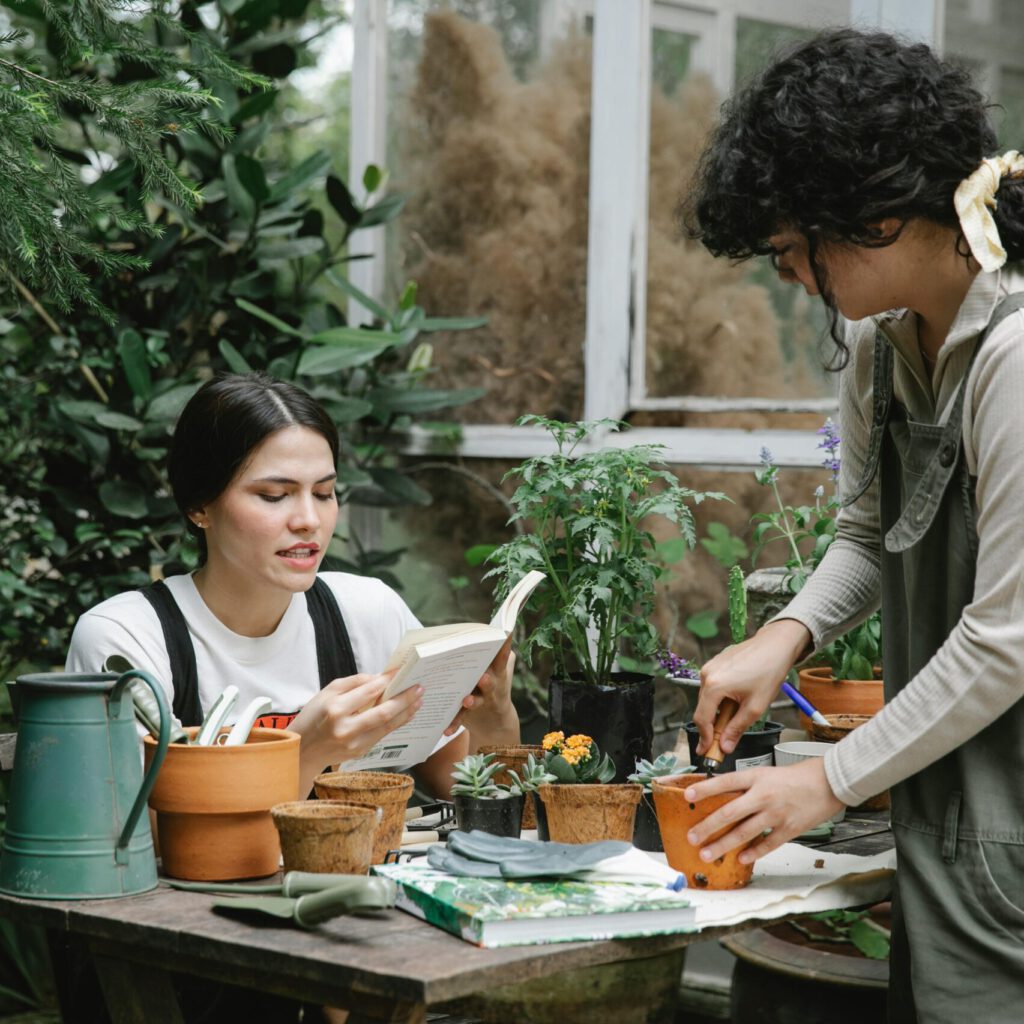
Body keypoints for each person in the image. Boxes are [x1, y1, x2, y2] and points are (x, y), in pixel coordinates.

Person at [683, 28, 1024, 1021]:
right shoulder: (885, 344)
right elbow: (872, 532)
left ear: (873, 216)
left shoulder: (1011, 355)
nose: (791, 276)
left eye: (794, 248)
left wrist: (821, 782)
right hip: (946, 816)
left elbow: (1006, 641)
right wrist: (780, 638)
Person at [67, 372, 519, 799]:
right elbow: (140, 842)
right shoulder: (125, 640)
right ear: (199, 506)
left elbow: (479, 794)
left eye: (323, 493)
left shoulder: (367, 611)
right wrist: (306, 750)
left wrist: (494, 714)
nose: (308, 520)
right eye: (274, 496)